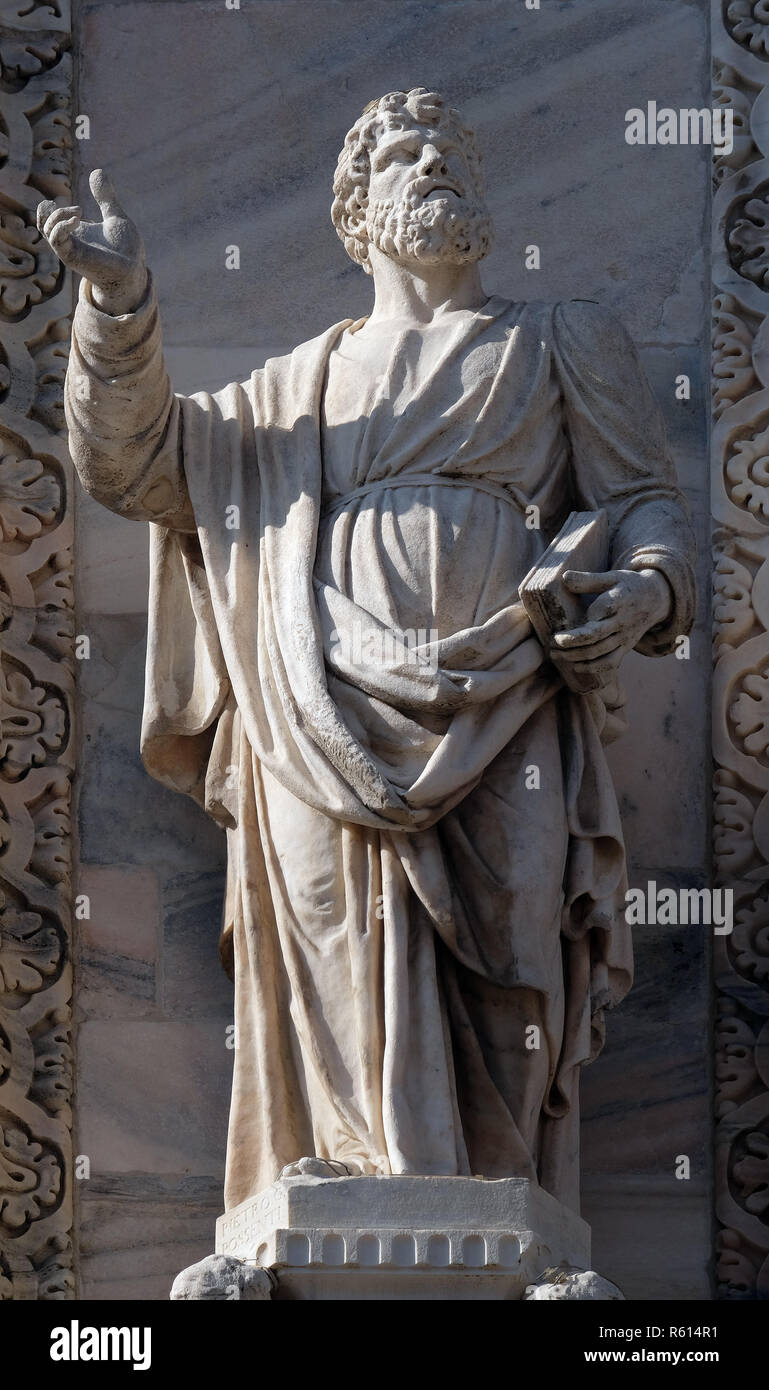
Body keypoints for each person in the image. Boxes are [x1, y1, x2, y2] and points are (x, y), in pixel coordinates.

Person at [39, 88, 695, 1214]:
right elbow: (136, 465)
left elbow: (646, 502)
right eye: (401, 151)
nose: (431, 160)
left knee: (510, 945)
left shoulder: (555, 339)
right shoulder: (297, 388)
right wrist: (119, 306)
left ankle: (496, 1196)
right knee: (335, 929)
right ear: (356, 213)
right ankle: (349, 1176)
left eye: (448, 148)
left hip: (509, 699)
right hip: (316, 703)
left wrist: (645, 588)